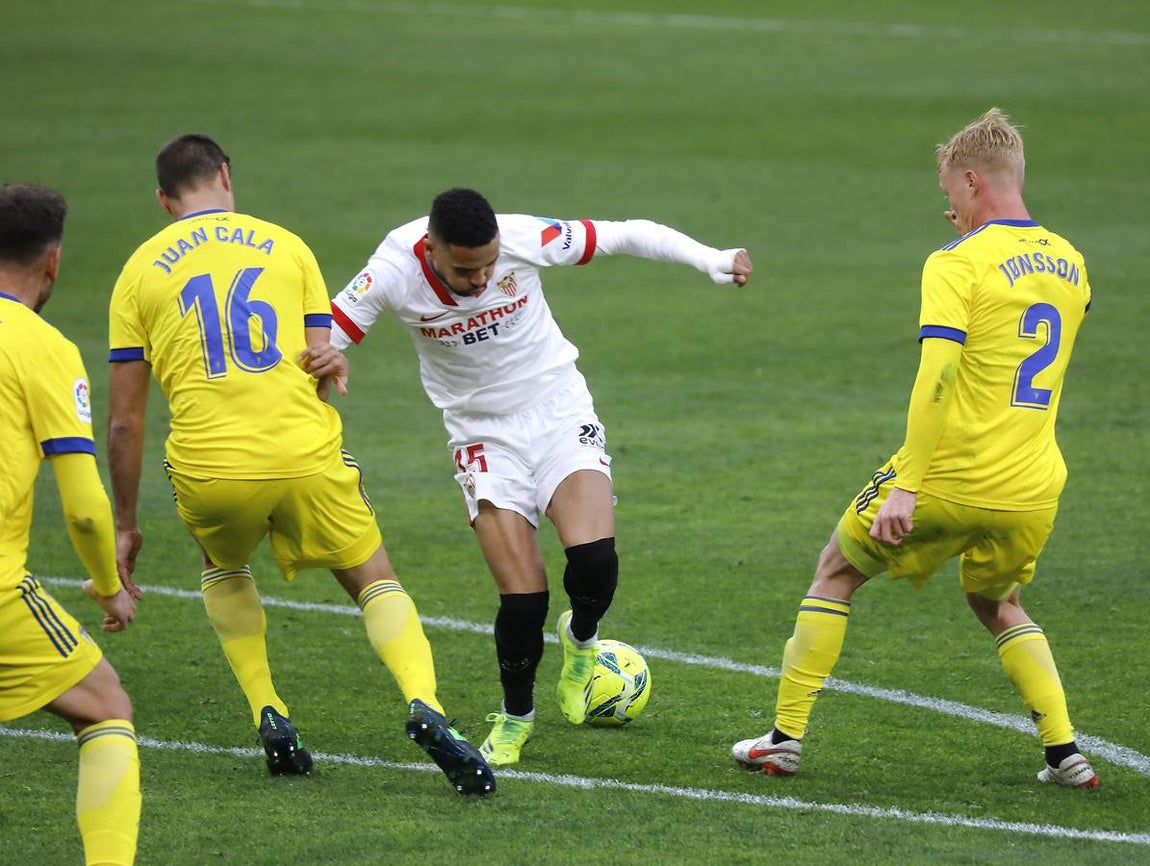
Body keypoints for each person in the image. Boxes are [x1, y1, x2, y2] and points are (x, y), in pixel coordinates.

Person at [105, 135, 494, 796]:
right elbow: (320, 366)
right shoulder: (288, 246)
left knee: (222, 565)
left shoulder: (139, 270)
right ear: (226, 175)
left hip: (210, 467)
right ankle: (424, 703)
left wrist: (124, 524)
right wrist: (331, 361)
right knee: (372, 577)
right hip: (302, 452)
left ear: (164, 200)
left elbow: (123, 422)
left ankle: (270, 712)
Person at [731, 108, 1098, 788]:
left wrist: (907, 485)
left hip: (948, 476)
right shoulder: (1072, 263)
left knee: (835, 572)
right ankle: (1065, 753)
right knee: (999, 602)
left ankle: (782, 740)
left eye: (950, 192)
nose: (948, 206)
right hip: (1031, 487)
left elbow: (938, 377)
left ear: (971, 181)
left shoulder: (955, 263)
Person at [327, 187, 752, 765]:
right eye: (465, 271)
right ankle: (516, 717)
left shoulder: (522, 236)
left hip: (558, 412)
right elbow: (323, 332)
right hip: (482, 437)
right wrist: (327, 353)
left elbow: (623, 233)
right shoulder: (392, 270)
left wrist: (711, 258)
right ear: (431, 249)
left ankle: (581, 641)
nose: (481, 280)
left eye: (489, 266)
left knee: (595, 560)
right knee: (524, 602)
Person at [0, 183, 142, 864]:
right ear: (52, 262)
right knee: (106, 706)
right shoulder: (43, 347)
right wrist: (108, 587)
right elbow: (84, 505)